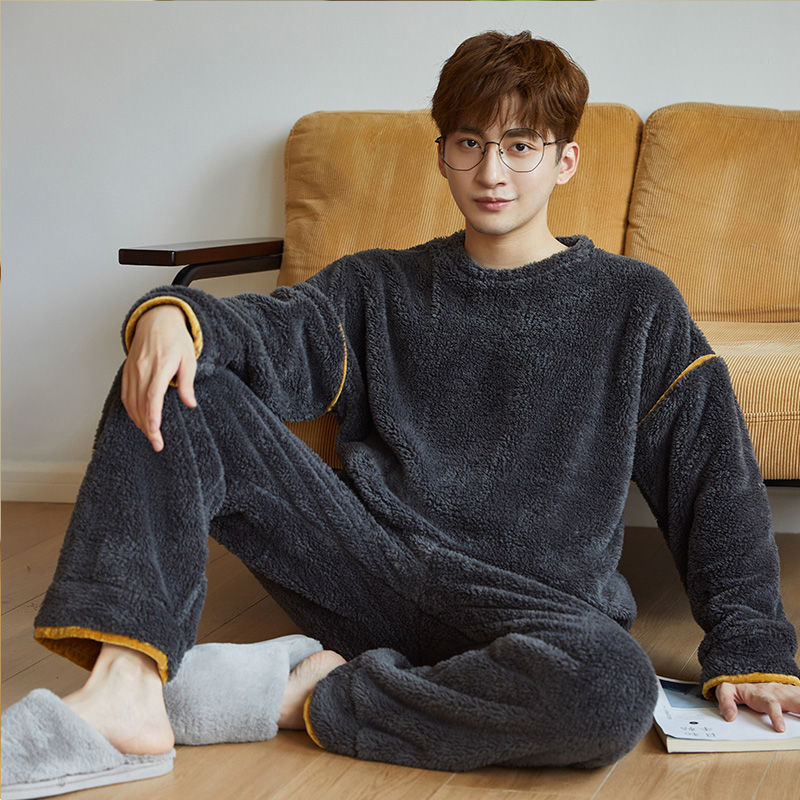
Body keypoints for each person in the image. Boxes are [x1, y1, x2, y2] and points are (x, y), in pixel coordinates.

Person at [4, 30, 800, 796]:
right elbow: (275, 333)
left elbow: (712, 480)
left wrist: (753, 647)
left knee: (612, 687)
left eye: (520, 145)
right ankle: (126, 690)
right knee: (179, 377)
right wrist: (171, 315)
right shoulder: (376, 285)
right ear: (442, 155)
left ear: (565, 160)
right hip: (370, 570)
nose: (492, 171)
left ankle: (306, 695)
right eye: (470, 143)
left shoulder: (637, 304)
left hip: (541, 615)